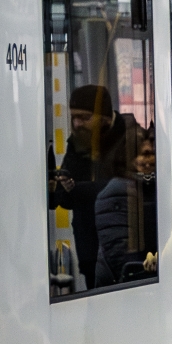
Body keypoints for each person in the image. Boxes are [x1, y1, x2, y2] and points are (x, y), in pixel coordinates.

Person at [50, 85, 138, 289]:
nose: (77, 124)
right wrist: (62, 187)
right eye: (74, 117)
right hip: (89, 245)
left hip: (126, 246)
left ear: (105, 117)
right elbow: (64, 196)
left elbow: (125, 188)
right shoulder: (77, 142)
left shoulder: (132, 137)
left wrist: (77, 189)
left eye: (85, 117)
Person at [93, 126, 158, 286]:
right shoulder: (117, 191)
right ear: (128, 158)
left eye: (153, 155)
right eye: (145, 155)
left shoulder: (147, 187)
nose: (151, 160)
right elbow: (122, 257)